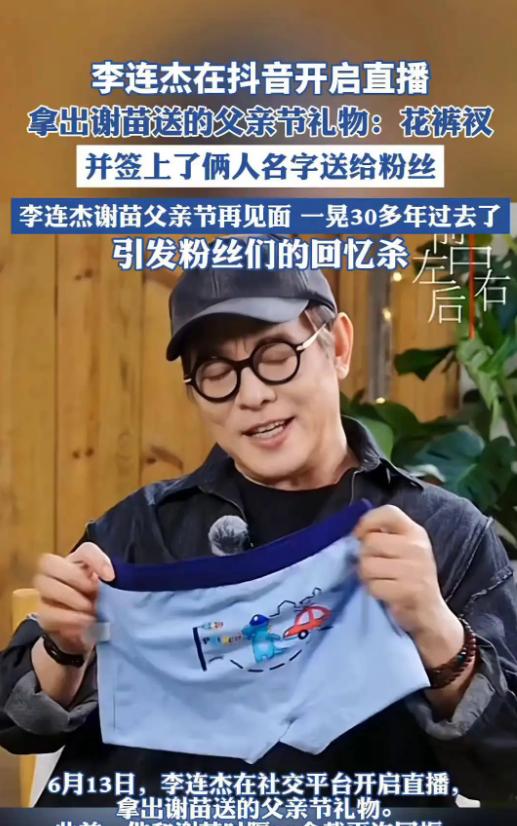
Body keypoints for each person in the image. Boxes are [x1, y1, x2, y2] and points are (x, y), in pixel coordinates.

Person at [1, 260, 517, 808]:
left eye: (276, 356)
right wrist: (63, 648)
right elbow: (18, 727)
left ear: (338, 347)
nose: (250, 395)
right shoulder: (138, 531)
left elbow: (505, 770)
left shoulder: (441, 536)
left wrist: (437, 631)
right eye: (216, 372)